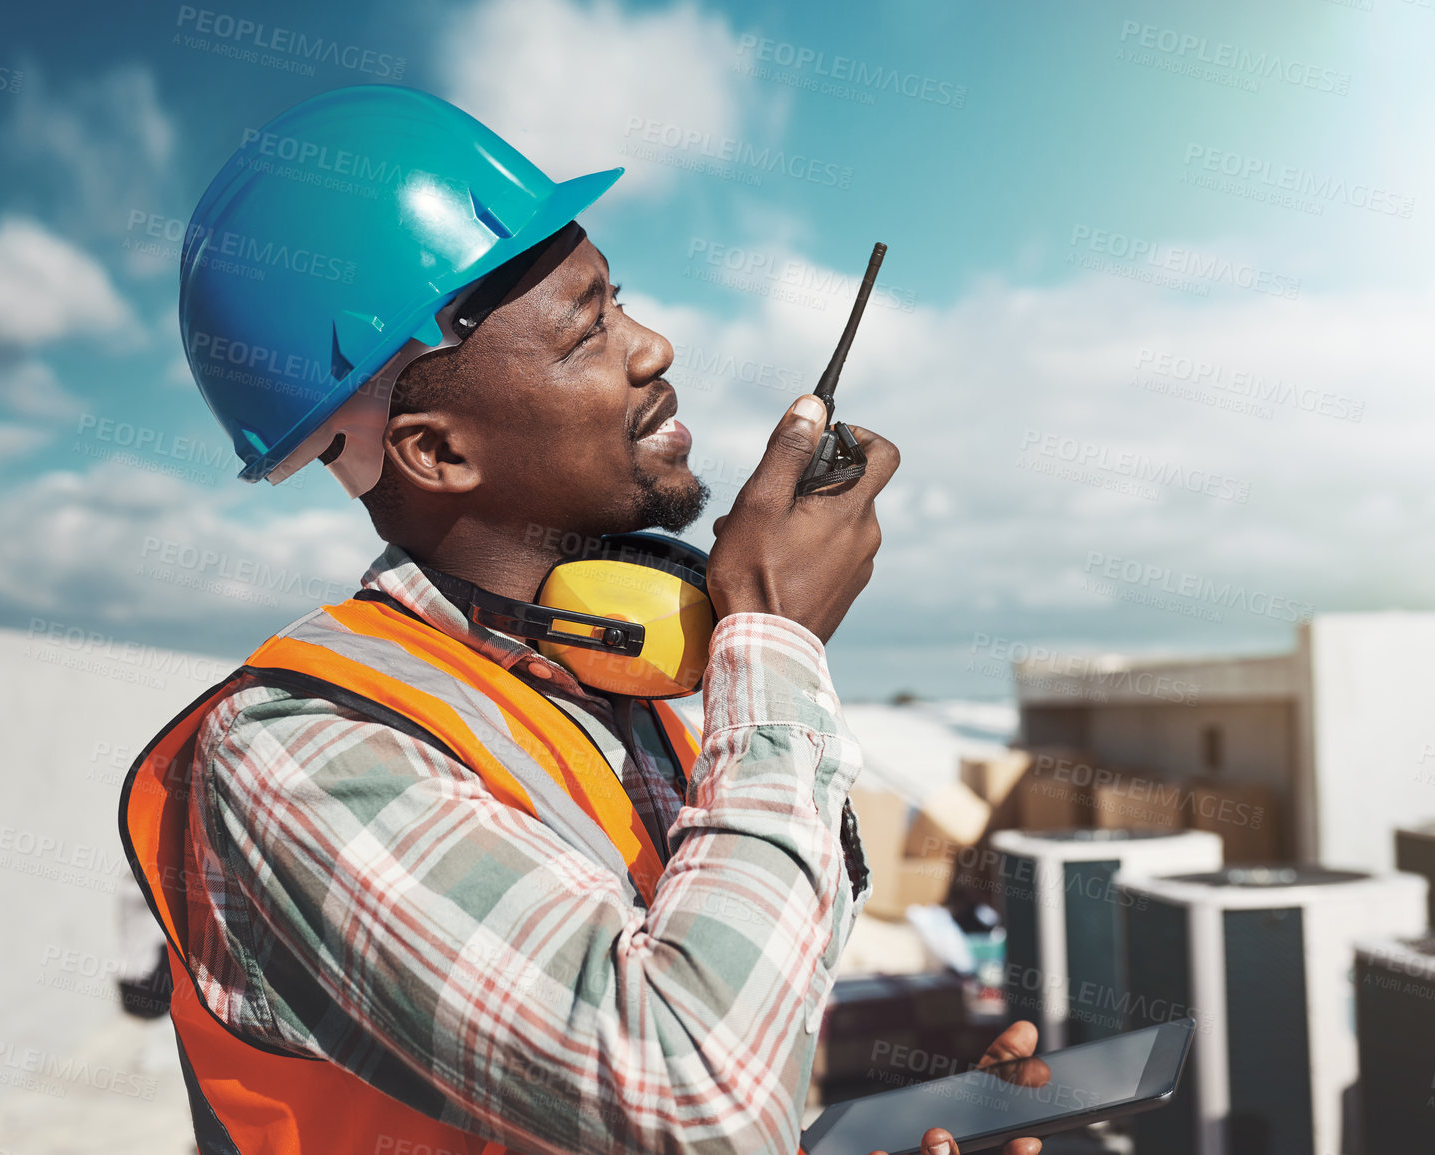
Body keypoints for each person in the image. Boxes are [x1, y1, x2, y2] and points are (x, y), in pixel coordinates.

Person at [120, 84, 1043, 1155]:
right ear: (437, 452)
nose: (652, 348)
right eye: (587, 329)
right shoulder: (300, 758)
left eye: (623, 300)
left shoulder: (634, 683)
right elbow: (693, 1096)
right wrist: (775, 637)